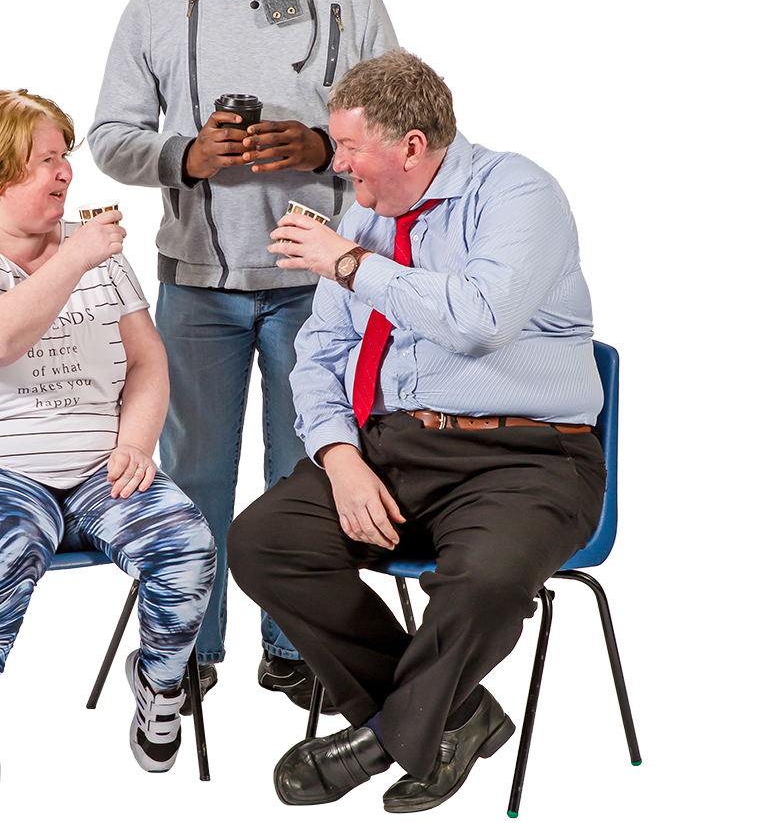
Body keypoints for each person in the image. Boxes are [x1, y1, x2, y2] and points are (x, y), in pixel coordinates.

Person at [227, 50, 606, 811]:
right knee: (264, 542)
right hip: (396, 445)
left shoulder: (516, 195)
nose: (337, 163)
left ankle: (384, 739)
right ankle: (450, 718)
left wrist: (350, 264)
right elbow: (321, 356)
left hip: (530, 456)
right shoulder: (364, 220)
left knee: (490, 578)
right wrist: (338, 455)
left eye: (350, 147)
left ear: (411, 146)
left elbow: (478, 321)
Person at [87, 0, 397, 704]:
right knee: (193, 480)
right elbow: (107, 137)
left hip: (321, 288)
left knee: (308, 477)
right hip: (197, 281)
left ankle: (300, 659)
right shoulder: (158, 4)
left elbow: (402, 143)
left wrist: (319, 146)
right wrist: (188, 157)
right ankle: (189, 652)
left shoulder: (351, 1)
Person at [0, 90, 216, 801]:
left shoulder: (96, 252)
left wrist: (136, 440)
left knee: (185, 540)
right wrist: (73, 256)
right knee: (3, 537)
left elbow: (147, 362)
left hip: (96, 471)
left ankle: (160, 686)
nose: (66, 172)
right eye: (47, 159)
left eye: (64, 156)